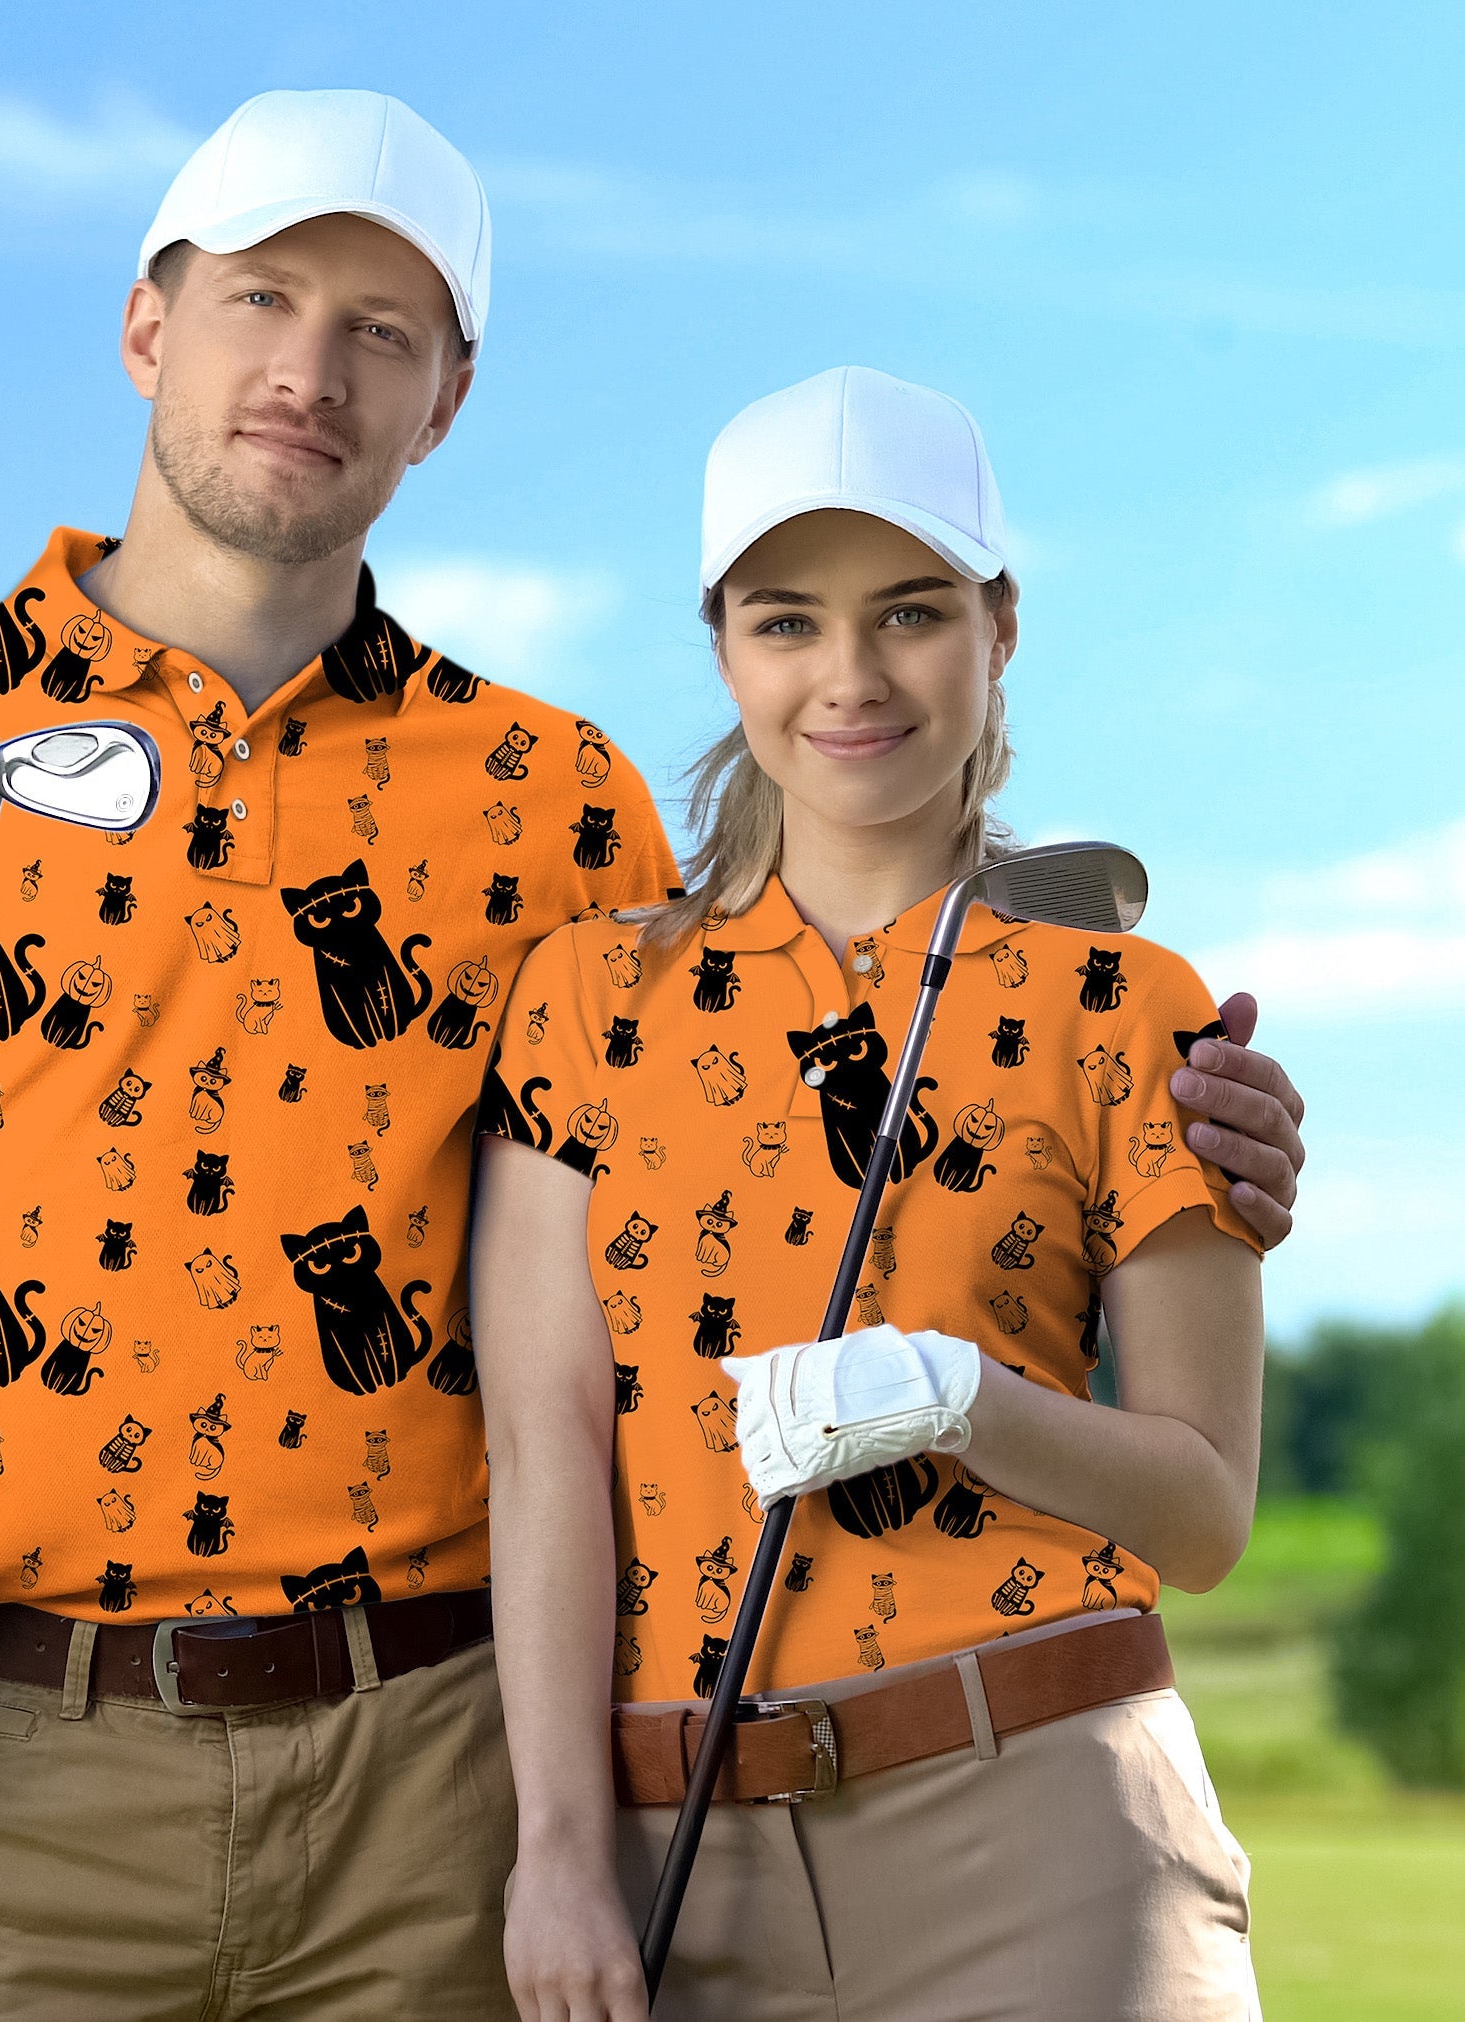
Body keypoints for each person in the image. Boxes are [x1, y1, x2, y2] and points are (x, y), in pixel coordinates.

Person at [0, 90, 1304, 2017]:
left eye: (379, 331)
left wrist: (1169, 1102)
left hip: (434, 1779)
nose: (308, 372)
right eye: (260, 300)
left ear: (446, 397)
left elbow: (777, 1151)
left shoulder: (555, 802)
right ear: (148, 325)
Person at [473, 367, 1275, 2020]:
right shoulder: (581, 1001)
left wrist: (955, 1396)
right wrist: (555, 1844)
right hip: (679, 1850)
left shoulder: (1125, 1000)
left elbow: (1199, 1516)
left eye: (908, 612)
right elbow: (541, 1439)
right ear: (720, 647)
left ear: (997, 627)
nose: (848, 677)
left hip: (1046, 1815)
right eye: (786, 621)